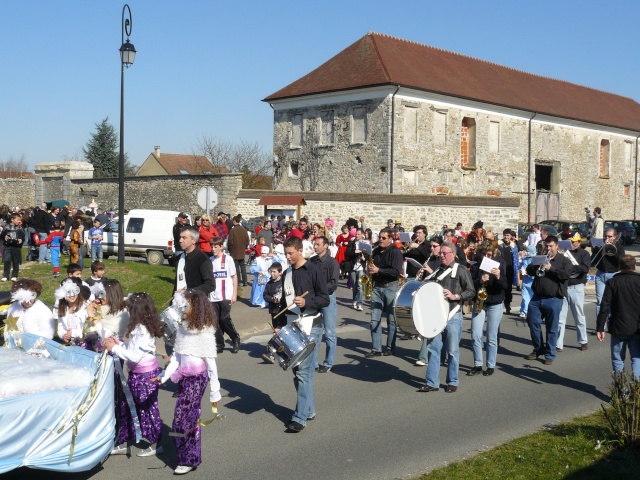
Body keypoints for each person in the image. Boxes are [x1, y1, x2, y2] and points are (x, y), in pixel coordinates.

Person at [154, 290, 222, 475]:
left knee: (185, 419)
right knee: (183, 418)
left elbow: (211, 363)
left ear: (196, 307)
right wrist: (164, 376)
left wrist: (215, 391)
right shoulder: (183, 329)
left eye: (187, 305)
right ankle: (186, 456)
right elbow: (176, 357)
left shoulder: (204, 332)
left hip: (197, 379)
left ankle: (189, 459)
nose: (182, 308)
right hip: (184, 377)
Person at [275, 236, 329, 432]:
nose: (287, 257)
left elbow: (325, 299)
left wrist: (308, 303)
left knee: (305, 373)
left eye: (290, 253)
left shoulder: (314, 270)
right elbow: (283, 302)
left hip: (311, 323)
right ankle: (309, 410)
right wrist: (278, 324)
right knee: (297, 372)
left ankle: (299, 418)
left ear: (300, 251)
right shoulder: (287, 273)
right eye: (285, 253)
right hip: (292, 325)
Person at [106, 292, 164, 458]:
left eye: (131, 308)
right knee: (134, 407)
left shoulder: (142, 330)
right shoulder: (139, 326)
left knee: (148, 409)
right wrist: (120, 344)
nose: (128, 311)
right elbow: (132, 350)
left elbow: (134, 356)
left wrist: (114, 349)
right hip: (137, 374)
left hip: (145, 376)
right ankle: (128, 439)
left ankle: (156, 442)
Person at [419, 241, 475, 393]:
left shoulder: (461, 270)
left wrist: (456, 296)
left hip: (453, 315)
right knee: (433, 349)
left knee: (452, 351)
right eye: (441, 253)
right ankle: (432, 382)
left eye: (444, 253)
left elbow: (471, 291)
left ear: (453, 255)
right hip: (436, 315)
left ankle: (452, 381)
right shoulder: (437, 270)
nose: (441, 255)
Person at [524, 235, 573, 365]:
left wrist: (550, 268)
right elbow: (529, 270)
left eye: (551, 246)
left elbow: (566, 275)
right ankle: (538, 348)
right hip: (537, 297)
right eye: (547, 246)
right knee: (532, 322)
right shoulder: (541, 257)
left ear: (557, 246)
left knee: (552, 328)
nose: (548, 248)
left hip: (554, 298)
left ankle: (550, 353)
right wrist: (536, 265)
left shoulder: (564, 261)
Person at [596, 255, 640, 379]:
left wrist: (600, 327)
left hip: (618, 327)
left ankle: (622, 391)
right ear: (634, 266)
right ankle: (635, 389)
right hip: (637, 328)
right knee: (636, 357)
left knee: (618, 359)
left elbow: (604, 306)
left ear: (619, 267)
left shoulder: (613, 282)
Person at [468, 244, 506, 376]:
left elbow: (505, 285)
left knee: (491, 336)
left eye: (489, 255)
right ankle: (478, 364)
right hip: (480, 302)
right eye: (484, 254)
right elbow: (470, 285)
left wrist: (498, 276)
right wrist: (480, 280)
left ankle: (490, 365)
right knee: (476, 334)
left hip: (495, 303)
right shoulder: (475, 266)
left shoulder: (500, 264)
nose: (486, 257)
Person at [365, 228, 403, 357]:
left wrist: (378, 270)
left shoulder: (396, 252)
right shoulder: (375, 251)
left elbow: (396, 272)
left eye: (383, 238)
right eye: (380, 237)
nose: (380, 240)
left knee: (391, 321)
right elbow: (372, 268)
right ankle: (376, 348)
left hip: (391, 287)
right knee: (374, 320)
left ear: (390, 239)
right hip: (377, 288)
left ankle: (390, 347)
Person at [556, 233, 590, 352]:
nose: (573, 243)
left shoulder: (584, 254)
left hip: (577, 287)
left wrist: (570, 267)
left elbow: (585, 268)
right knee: (560, 317)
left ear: (579, 242)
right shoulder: (563, 254)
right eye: (571, 241)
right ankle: (558, 344)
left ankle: (583, 341)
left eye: (575, 241)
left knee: (579, 315)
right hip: (564, 286)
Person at [310, 236, 340, 373]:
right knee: (314, 333)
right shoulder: (312, 261)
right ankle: (314, 363)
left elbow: (333, 284)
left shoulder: (332, 263)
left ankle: (328, 363)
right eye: (314, 244)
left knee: (329, 333)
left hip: (328, 299)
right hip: (315, 300)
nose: (315, 247)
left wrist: (319, 289)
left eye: (317, 245)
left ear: (325, 245)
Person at [209, 236, 241, 354]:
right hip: (213, 296)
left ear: (221, 247)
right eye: (211, 246)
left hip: (226, 294)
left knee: (224, 318)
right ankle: (219, 344)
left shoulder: (228, 259)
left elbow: (234, 276)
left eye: (215, 247)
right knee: (214, 321)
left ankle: (235, 338)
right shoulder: (210, 260)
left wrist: (235, 294)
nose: (213, 249)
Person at [175, 226, 215, 297]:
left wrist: (189, 291)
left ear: (194, 240)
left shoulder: (202, 259)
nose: (180, 240)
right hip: (180, 302)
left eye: (184, 238)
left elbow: (210, 285)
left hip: (197, 302)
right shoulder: (179, 258)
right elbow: (178, 282)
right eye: (180, 237)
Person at [594, 227, 625, 317]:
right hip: (601, 274)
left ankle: (611, 323)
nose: (607, 238)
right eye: (605, 236)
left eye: (609, 236)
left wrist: (611, 249)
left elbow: (620, 261)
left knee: (612, 301)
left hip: (613, 275)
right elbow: (595, 260)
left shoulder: (619, 247)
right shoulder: (602, 245)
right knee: (600, 301)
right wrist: (597, 250)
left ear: (615, 237)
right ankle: (600, 327)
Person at [261, 262, 283, 363]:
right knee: (276, 334)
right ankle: (274, 353)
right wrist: (272, 299)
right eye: (271, 272)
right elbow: (265, 295)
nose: (272, 274)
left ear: (280, 272)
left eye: (274, 272)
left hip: (283, 312)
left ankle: (276, 353)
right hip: (274, 311)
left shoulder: (283, 282)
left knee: (281, 333)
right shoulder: (269, 283)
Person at [55, 278, 88, 344]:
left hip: (85, 344)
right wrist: (64, 336)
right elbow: (60, 327)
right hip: (69, 344)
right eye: (68, 292)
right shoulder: (62, 308)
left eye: (75, 291)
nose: (72, 295)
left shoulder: (85, 308)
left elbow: (89, 331)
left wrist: (73, 333)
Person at [498, 229, 518, 314]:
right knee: (499, 287)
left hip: (509, 269)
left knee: (508, 289)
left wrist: (515, 270)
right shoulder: (499, 244)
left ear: (511, 236)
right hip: (500, 269)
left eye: (508, 235)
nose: (506, 237)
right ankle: (498, 305)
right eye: (505, 235)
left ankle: (507, 305)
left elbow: (515, 259)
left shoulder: (513, 246)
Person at [227, 215, 251, 288]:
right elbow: (247, 240)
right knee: (242, 266)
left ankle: (239, 281)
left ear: (234, 221)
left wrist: (230, 248)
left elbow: (230, 241)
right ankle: (245, 281)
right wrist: (245, 247)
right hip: (241, 250)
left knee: (236, 266)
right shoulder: (244, 230)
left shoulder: (232, 230)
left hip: (234, 251)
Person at [346, 228, 366, 311]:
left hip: (361, 267)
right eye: (356, 234)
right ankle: (354, 300)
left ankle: (359, 303)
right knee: (354, 285)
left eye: (358, 234)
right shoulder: (351, 243)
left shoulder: (365, 244)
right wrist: (355, 251)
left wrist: (363, 258)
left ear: (362, 235)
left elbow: (367, 256)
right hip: (353, 267)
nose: (357, 235)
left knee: (360, 286)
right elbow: (347, 253)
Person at [1, 213, 24, 282]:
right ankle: (6, 275)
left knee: (16, 261)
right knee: (7, 260)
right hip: (7, 246)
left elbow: (23, 236)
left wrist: (21, 240)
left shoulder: (20, 228)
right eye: (17, 220)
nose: (18, 221)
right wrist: (4, 237)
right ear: (12, 219)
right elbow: (2, 235)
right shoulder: (6, 227)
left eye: (19, 220)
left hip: (16, 247)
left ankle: (14, 275)